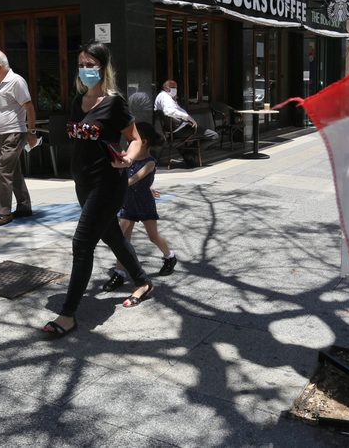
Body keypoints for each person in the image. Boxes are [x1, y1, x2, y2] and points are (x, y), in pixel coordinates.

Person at [41, 41, 153, 338]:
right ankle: (142, 281)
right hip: (83, 183)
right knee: (111, 235)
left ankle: (67, 315)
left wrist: (128, 158)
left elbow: (136, 138)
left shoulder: (114, 102)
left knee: (82, 243)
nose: (85, 70)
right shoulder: (78, 102)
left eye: (91, 65)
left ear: (103, 69)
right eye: (81, 64)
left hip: (107, 182)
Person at [102, 121, 177, 295]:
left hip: (144, 204)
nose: (129, 143)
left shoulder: (150, 162)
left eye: (132, 139)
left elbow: (134, 179)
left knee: (153, 236)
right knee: (122, 240)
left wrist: (117, 186)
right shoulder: (129, 157)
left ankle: (170, 256)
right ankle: (119, 273)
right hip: (128, 204)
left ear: (143, 141)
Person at [0, 49, 38, 227]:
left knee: (3, 171)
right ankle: (24, 206)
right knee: (14, 171)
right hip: (0, 134)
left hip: (14, 133)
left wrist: (31, 133)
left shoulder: (16, 81)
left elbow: (29, 107)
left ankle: (4, 212)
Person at [154, 79, 218, 168]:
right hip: (180, 129)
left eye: (176, 87)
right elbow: (169, 111)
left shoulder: (164, 97)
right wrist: (188, 118)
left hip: (177, 128)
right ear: (166, 88)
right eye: (173, 87)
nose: (175, 89)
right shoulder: (165, 97)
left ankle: (188, 153)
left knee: (186, 142)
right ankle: (191, 152)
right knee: (214, 136)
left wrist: (175, 101)